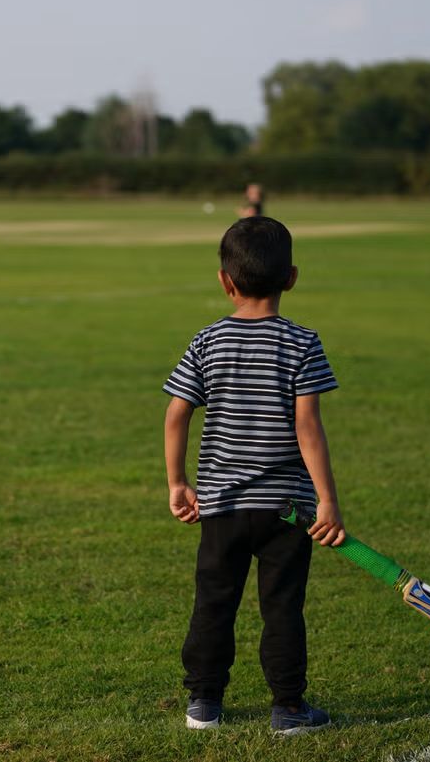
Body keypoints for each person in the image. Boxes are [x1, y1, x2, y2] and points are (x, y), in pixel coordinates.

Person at [163, 216, 345, 734]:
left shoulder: (207, 341)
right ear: (291, 277)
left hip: (221, 506)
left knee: (214, 602)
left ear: (225, 280)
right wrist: (327, 501)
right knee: (283, 607)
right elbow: (307, 427)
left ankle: (204, 702)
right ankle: (289, 708)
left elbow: (177, 412)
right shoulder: (302, 342)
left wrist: (178, 483)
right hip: (285, 508)